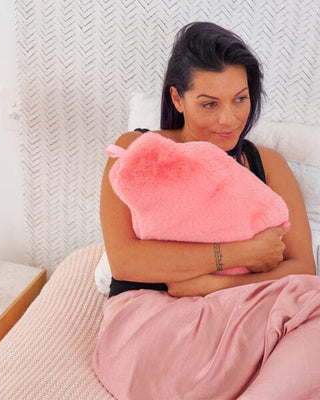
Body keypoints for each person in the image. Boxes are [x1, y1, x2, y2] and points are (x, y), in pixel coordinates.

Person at [93, 22, 319, 400]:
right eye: (209, 104)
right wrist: (240, 254)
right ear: (177, 99)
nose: (228, 119)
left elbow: (302, 269)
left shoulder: (267, 165)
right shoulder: (139, 151)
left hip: (240, 315)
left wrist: (217, 286)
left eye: (240, 99)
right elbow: (125, 262)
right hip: (152, 324)